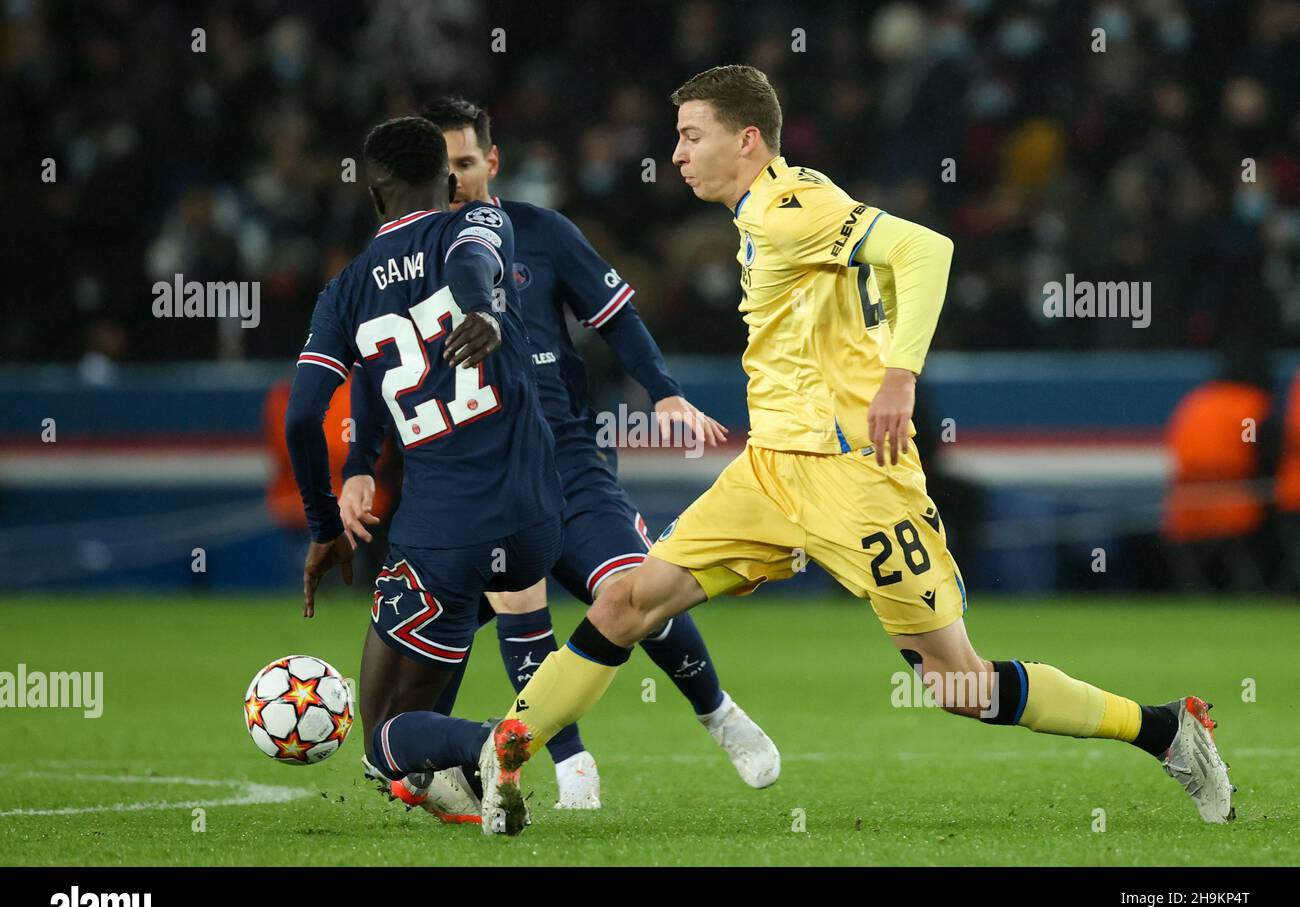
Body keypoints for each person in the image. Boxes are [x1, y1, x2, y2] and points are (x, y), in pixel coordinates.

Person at [474, 65, 1236, 836]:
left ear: (745, 140)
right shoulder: (762, 211)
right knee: (626, 600)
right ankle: (507, 753)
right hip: (772, 471)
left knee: (957, 685)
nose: (675, 153)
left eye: (690, 135)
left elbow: (927, 251)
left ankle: (1167, 730)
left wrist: (899, 376)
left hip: (854, 481)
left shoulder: (788, 207)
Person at [340, 96, 779, 812]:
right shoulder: (400, 262)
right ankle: (481, 767)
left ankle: (715, 711)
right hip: (458, 484)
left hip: (564, 461)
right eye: (440, 168)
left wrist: (663, 392)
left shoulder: (539, 235)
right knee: (414, 704)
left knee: (633, 589)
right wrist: (360, 465)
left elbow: (617, 318)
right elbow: (370, 367)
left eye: (465, 163)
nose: (453, 180)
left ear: (493, 162)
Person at [285, 116, 562, 835]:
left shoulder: (343, 293)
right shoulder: (478, 222)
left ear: (374, 197)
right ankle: (466, 783)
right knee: (440, 659)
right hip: (536, 522)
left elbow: (299, 420)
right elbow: (477, 263)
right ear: (447, 181)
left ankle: (483, 743)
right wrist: (482, 309)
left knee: (383, 734)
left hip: (443, 535)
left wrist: (325, 526)